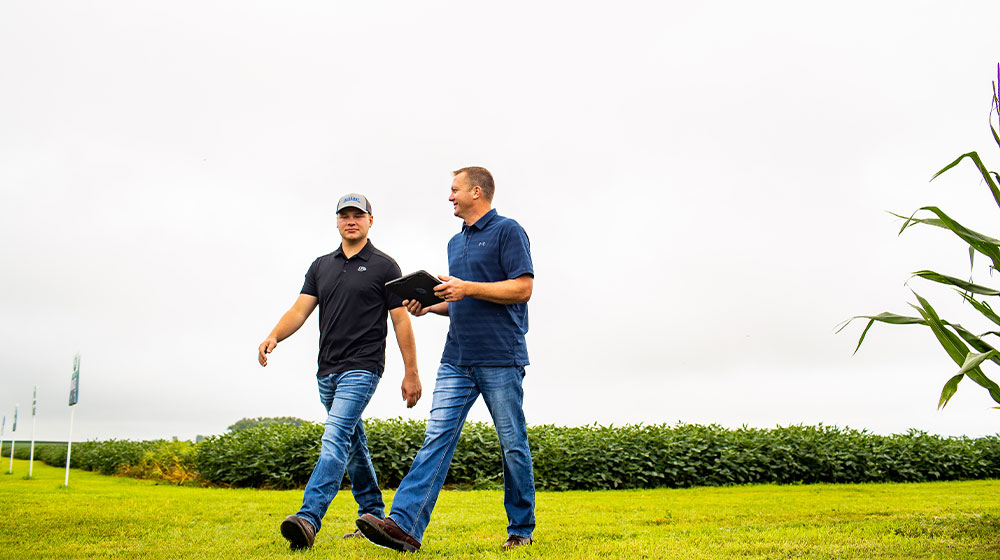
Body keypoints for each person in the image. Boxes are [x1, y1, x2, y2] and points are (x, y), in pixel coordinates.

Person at [356, 167, 536, 552]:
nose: (449, 197)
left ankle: (521, 528)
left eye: (454, 190)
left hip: (500, 357)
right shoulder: (457, 244)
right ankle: (404, 527)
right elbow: (464, 302)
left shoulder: (508, 231)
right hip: (456, 357)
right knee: (436, 438)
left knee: (512, 444)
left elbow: (523, 288)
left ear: (476, 191)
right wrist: (431, 305)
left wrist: (466, 286)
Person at [257, 193, 422, 550]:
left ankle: (308, 518)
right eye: (345, 215)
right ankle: (373, 515)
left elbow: (400, 321)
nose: (351, 220)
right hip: (326, 371)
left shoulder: (384, 266)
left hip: (362, 368)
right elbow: (299, 311)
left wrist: (411, 372)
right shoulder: (321, 266)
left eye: (358, 215)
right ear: (336, 221)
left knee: (334, 439)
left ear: (369, 221)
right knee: (352, 445)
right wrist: (274, 336)